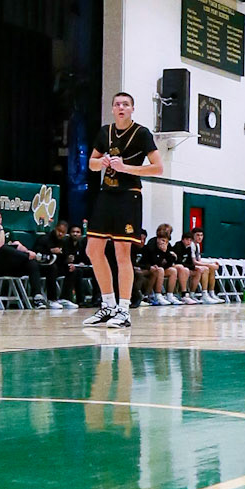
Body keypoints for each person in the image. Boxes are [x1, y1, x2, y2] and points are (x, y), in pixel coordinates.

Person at [84, 91, 162, 330]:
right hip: (106, 194)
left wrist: (126, 168)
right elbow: (91, 163)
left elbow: (158, 168)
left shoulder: (142, 133)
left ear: (132, 109)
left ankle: (124, 309)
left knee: (122, 253)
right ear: (112, 109)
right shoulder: (104, 132)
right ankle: (108, 305)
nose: (121, 107)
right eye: (117, 104)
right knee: (93, 250)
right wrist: (102, 163)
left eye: (126, 104)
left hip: (129, 196)